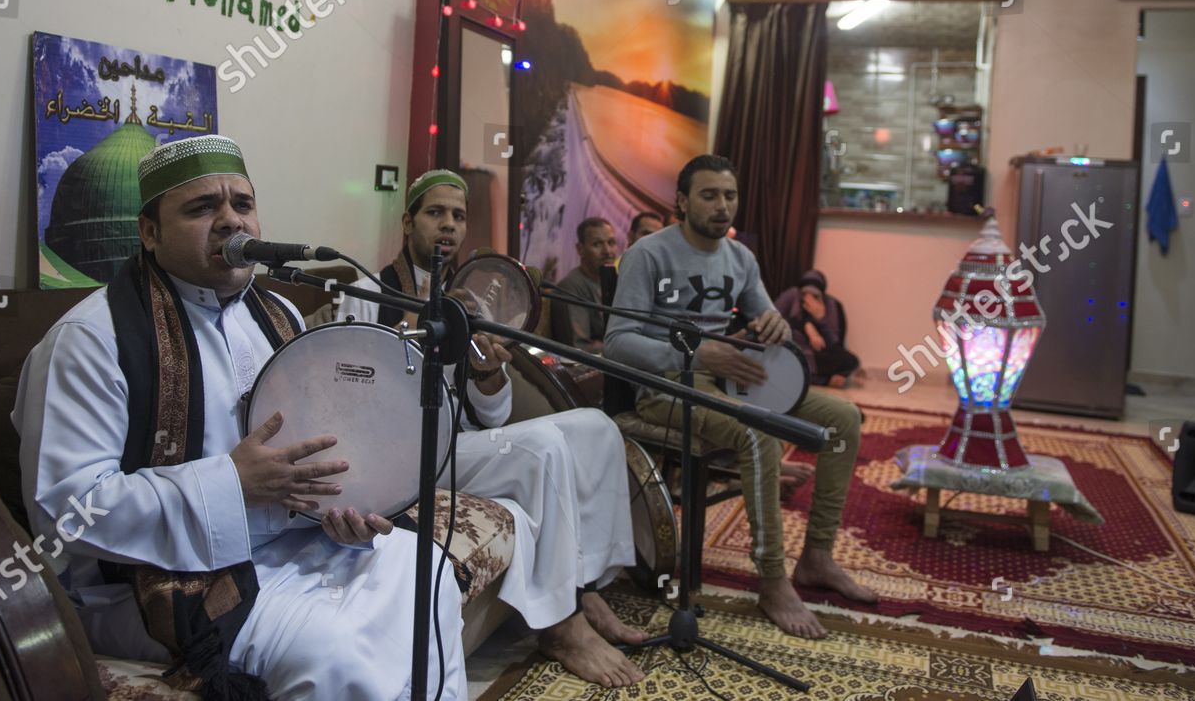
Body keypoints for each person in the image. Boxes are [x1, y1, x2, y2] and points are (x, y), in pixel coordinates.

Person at [13, 136, 466, 701]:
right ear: (149, 233)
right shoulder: (88, 341)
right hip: (144, 583)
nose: (230, 220)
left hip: (286, 545)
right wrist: (232, 484)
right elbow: (67, 513)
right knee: (335, 652)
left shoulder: (280, 315)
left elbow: (316, 446)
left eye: (242, 204)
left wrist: (342, 511)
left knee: (426, 563)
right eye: (202, 208)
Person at [336, 170, 646, 687]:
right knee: (543, 445)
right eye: (436, 213)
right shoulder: (370, 291)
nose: (449, 226)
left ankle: (586, 585)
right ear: (408, 220)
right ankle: (560, 623)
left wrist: (488, 371)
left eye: (459, 216)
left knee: (595, 426)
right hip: (402, 456)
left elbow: (494, 415)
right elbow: (344, 390)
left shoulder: (472, 299)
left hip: (456, 444)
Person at [604, 154, 878, 640]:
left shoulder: (740, 258)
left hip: (732, 378)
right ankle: (772, 579)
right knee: (758, 434)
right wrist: (696, 357)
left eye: (729, 196)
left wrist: (776, 325)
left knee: (844, 417)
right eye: (709, 195)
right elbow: (617, 343)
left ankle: (816, 556)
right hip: (667, 390)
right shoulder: (648, 255)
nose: (722, 206)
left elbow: (769, 321)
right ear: (683, 201)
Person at [776, 270, 862, 388]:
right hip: (794, 347)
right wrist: (807, 326)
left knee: (851, 361)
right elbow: (774, 318)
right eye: (805, 293)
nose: (809, 298)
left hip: (817, 354)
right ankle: (823, 380)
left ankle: (804, 375)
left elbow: (835, 343)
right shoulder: (792, 295)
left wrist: (821, 319)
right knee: (786, 357)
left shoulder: (833, 305)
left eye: (815, 295)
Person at [550, 216, 618, 353]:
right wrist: (626, 347)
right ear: (580, 249)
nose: (607, 251)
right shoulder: (571, 287)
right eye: (597, 244)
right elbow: (579, 347)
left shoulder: (614, 280)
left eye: (611, 243)